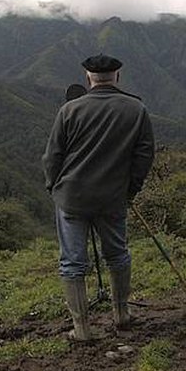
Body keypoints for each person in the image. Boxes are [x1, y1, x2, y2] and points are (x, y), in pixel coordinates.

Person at [42, 54, 155, 341]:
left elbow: (53, 156)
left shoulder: (69, 111)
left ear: (88, 78)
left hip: (71, 197)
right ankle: (121, 314)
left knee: (72, 262)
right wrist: (130, 190)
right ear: (117, 76)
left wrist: (53, 186)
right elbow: (144, 156)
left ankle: (81, 329)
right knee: (117, 254)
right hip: (112, 198)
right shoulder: (136, 109)